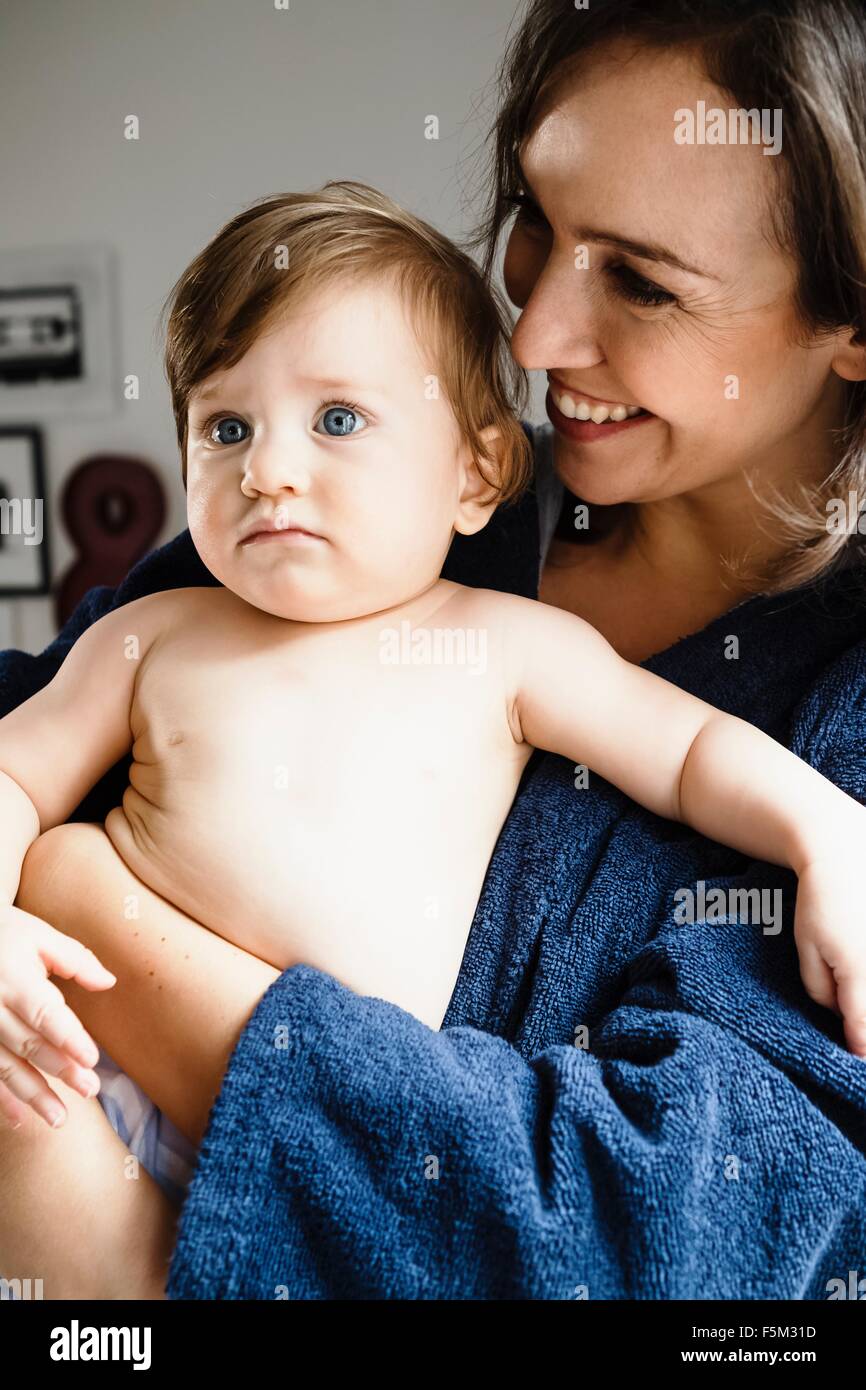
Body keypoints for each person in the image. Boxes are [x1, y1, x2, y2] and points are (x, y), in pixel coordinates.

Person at [2, 0, 866, 1299]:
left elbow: (636, 1248)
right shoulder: (305, 547)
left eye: (638, 278)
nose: (530, 338)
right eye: (534, 221)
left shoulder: (761, 690)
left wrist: (77, 895)